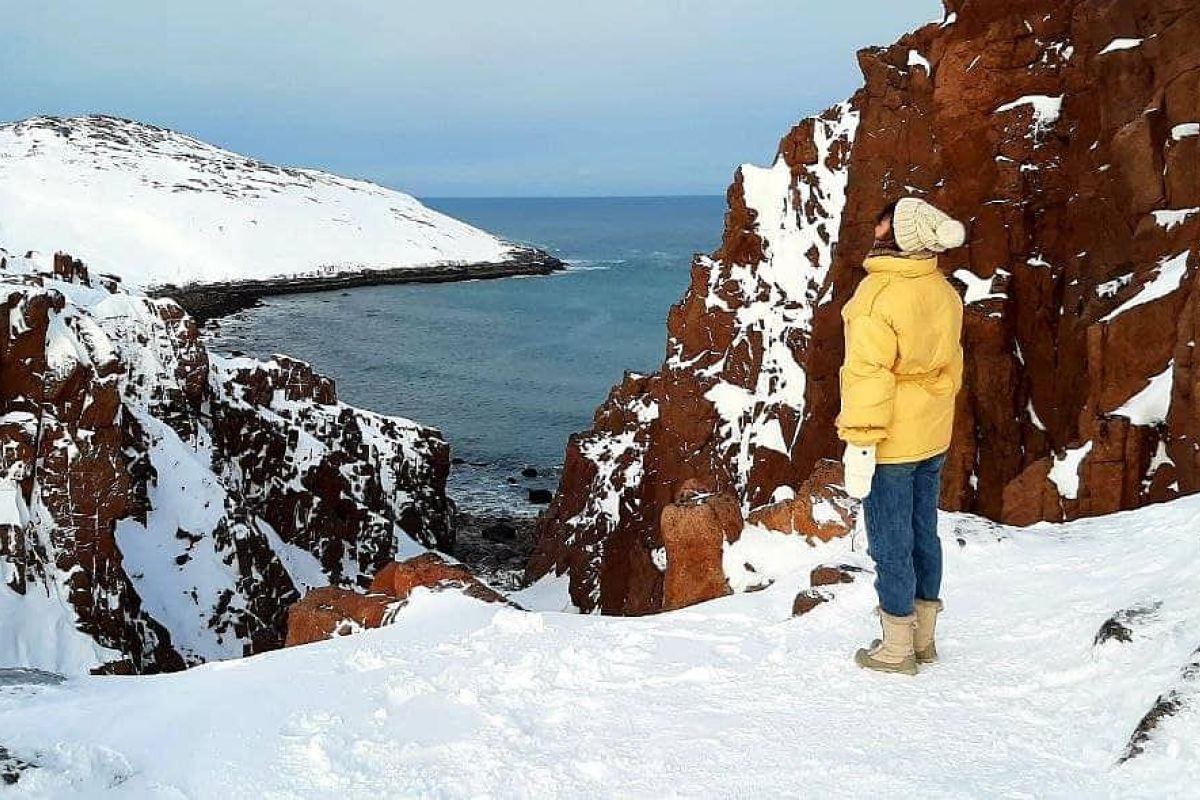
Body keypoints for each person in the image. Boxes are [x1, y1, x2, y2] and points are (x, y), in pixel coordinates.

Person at [836, 197, 966, 675]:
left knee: (890, 543)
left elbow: (868, 376)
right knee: (923, 534)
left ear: (896, 234)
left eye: (884, 220)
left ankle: (896, 649)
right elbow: (952, 365)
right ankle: (924, 639)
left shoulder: (877, 296)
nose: (875, 225)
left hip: (891, 440)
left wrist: (861, 441)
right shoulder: (942, 290)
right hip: (933, 433)